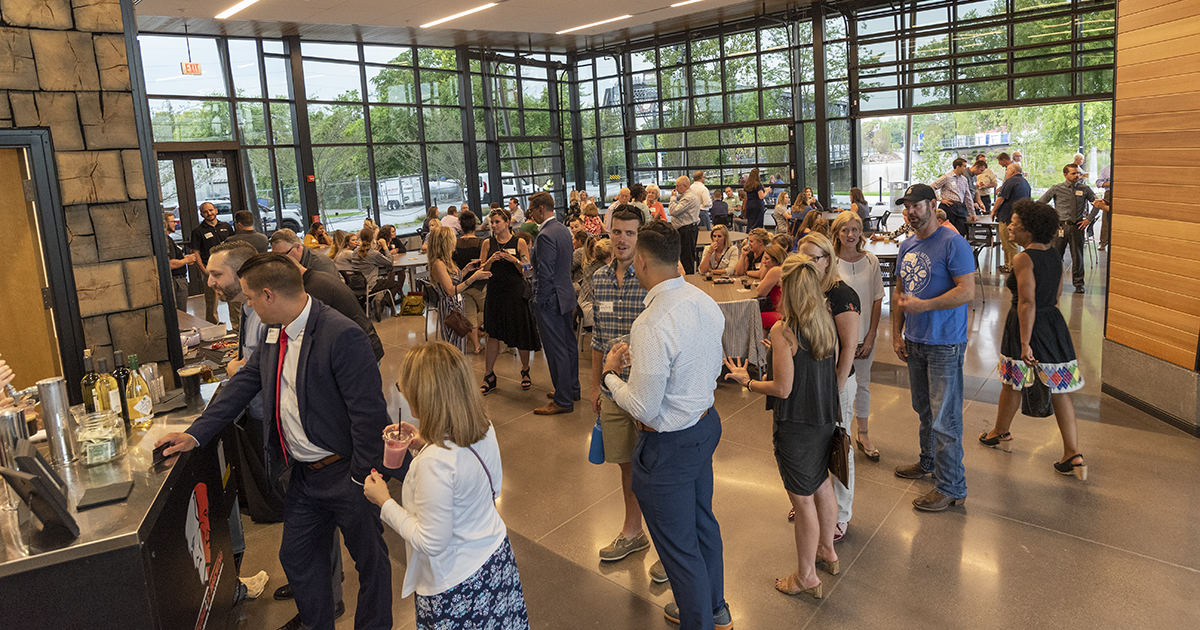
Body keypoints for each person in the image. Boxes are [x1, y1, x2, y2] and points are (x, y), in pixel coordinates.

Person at [155, 252, 395, 630]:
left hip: (346, 473)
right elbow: (245, 383)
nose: (247, 305)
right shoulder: (274, 330)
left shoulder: (341, 335)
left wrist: (361, 478)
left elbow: (370, 417)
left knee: (371, 563)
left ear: (269, 295)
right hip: (302, 476)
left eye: (250, 298)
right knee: (297, 558)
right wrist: (194, 434)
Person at [600, 221, 731, 630]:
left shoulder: (651, 324)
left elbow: (642, 404)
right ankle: (715, 608)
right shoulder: (702, 299)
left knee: (678, 551)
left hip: (667, 446)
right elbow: (695, 363)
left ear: (640, 261)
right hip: (704, 425)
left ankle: (698, 620)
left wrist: (610, 376)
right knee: (702, 523)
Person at [363, 342, 529, 629]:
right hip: (494, 559)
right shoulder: (483, 427)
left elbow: (431, 541)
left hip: (455, 584)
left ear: (424, 397)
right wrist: (424, 441)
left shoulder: (435, 463)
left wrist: (384, 502)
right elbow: (490, 485)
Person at [723, 255, 841, 601]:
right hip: (822, 415)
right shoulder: (824, 320)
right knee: (821, 483)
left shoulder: (784, 328)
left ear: (786, 287)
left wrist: (748, 382)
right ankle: (828, 553)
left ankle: (806, 576)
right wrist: (778, 357)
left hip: (797, 423)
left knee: (802, 499)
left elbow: (783, 389)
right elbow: (809, 368)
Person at [977, 200, 1089, 480]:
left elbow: (1026, 301)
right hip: (1053, 322)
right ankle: (1072, 453)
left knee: (1013, 381)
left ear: (1029, 229)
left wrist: (1025, 342)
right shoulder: (1053, 254)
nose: (1011, 225)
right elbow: (1056, 293)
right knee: (1060, 389)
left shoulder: (1022, 258)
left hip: (1026, 324)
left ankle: (1000, 432)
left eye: (1015, 222)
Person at [891, 183, 976, 511]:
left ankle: (952, 486)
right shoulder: (908, 245)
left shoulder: (954, 243)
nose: (911, 211)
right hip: (915, 341)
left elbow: (966, 291)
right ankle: (928, 462)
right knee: (924, 410)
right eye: (907, 206)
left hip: (944, 344)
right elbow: (900, 293)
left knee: (946, 417)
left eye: (916, 205)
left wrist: (924, 307)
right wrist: (897, 335)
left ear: (932, 204)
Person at [588, 207, 659, 572]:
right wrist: (597, 386)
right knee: (626, 463)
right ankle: (633, 532)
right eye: (617, 232)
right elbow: (597, 338)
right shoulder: (599, 278)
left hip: (647, 383)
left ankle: (668, 545)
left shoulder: (651, 280)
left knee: (658, 466)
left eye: (630, 233)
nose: (622, 240)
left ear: (640, 236)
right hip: (614, 388)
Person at [796, 232, 860, 539]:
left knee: (838, 445)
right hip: (807, 382)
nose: (807, 264)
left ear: (827, 260)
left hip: (836, 383)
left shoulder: (840, 294)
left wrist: (834, 390)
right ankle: (812, 500)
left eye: (813, 258)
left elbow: (848, 348)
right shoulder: (802, 291)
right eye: (802, 257)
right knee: (812, 445)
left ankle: (841, 513)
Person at [831, 211, 885, 463]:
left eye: (854, 230)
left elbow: (877, 299)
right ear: (837, 233)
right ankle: (838, 434)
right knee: (837, 386)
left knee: (862, 384)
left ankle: (863, 433)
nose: (850, 235)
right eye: (845, 230)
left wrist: (872, 334)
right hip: (837, 339)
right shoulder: (830, 261)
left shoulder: (871, 261)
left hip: (864, 336)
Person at [479, 207, 541, 395]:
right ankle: (489, 375)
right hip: (495, 293)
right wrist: (491, 260)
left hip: (516, 293)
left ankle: (525, 370)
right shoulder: (487, 243)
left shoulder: (519, 241)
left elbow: (527, 270)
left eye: (497, 222)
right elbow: (481, 271)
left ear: (507, 222)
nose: (494, 226)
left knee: (521, 333)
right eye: (492, 223)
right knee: (493, 336)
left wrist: (514, 260)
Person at [529, 191, 580, 415]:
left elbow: (545, 272)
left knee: (556, 349)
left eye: (531, 209)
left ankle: (562, 400)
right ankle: (571, 388)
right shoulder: (563, 229)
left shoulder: (545, 235)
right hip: (566, 294)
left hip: (551, 299)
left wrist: (538, 301)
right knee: (568, 344)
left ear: (541, 208)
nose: (530, 214)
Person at [1038, 163, 1107, 293]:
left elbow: (1097, 205)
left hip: (1077, 227)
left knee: (1078, 256)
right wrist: (1051, 220)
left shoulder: (1085, 189)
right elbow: (1041, 203)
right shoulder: (1056, 188)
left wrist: (1089, 219)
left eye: (1077, 173)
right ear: (1065, 175)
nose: (1077, 176)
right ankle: (1052, 283)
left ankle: (1078, 284)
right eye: (1073, 173)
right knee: (1055, 256)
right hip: (1060, 227)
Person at [428, 226, 489, 354]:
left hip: (457, 306)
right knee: (454, 347)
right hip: (450, 309)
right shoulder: (438, 264)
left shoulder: (447, 261)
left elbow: (453, 281)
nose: (455, 241)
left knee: (460, 343)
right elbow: (450, 290)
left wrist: (466, 270)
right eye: (452, 238)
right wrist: (473, 278)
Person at [190, 201, 235, 325]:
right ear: (201, 214)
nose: (209, 213)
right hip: (211, 270)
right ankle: (213, 326)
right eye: (205, 211)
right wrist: (203, 270)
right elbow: (195, 253)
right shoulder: (198, 231)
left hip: (228, 268)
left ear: (216, 210)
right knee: (212, 302)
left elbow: (234, 247)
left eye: (210, 210)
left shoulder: (226, 226)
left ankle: (236, 326)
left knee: (233, 298)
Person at [350, 227, 403, 318]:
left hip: (357, 284)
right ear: (372, 239)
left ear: (360, 239)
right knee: (396, 284)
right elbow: (389, 262)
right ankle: (382, 303)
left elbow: (370, 256)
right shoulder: (373, 254)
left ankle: (366, 304)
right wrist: (385, 247)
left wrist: (377, 248)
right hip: (370, 284)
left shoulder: (355, 252)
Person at [454, 211, 487, 353]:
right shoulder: (481, 243)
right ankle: (480, 332)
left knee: (470, 315)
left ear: (461, 227)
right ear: (475, 226)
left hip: (463, 284)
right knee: (488, 311)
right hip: (480, 284)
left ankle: (476, 346)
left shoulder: (455, 244)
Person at [991, 162, 1031, 273]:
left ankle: (1012, 266)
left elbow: (1001, 198)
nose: (1006, 172)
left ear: (1013, 171)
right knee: (1011, 243)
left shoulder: (1010, 182)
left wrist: (994, 211)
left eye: (1007, 170)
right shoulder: (1025, 182)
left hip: (1007, 217)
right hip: (1019, 216)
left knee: (1008, 243)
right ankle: (1008, 264)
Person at [270, 229, 340, 280]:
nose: (279, 259)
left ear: (298, 247)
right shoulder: (285, 264)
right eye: (276, 255)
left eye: (283, 254)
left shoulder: (322, 265)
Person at [931, 158, 976, 235]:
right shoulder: (946, 177)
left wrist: (972, 213)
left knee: (961, 231)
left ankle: (957, 246)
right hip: (949, 206)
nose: (965, 169)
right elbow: (932, 187)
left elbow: (968, 197)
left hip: (961, 207)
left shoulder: (964, 180)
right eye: (964, 166)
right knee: (947, 231)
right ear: (958, 167)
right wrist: (940, 199)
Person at [669, 176, 702, 275]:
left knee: (687, 258)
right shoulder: (686, 196)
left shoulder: (689, 198)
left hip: (687, 230)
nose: (676, 188)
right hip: (685, 229)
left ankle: (689, 279)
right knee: (684, 257)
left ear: (686, 186)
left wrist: (673, 198)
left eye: (678, 186)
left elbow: (673, 211)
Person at [577, 238, 612, 329]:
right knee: (621, 311)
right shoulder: (603, 270)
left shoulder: (593, 265)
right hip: (589, 311)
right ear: (610, 255)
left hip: (582, 309)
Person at [165, 211, 197, 311]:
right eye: (173, 221)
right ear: (165, 223)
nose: (175, 223)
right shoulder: (167, 242)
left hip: (178, 280)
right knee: (180, 312)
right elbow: (171, 264)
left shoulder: (169, 239)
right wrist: (187, 260)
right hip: (176, 281)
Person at [757, 244, 787, 331]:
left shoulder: (776, 270)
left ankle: (761, 343)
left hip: (782, 315)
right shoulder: (784, 268)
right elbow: (761, 276)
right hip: (786, 314)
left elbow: (760, 292)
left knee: (753, 318)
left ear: (775, 259)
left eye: (767, 259)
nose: (763, 262)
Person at [1096, 164, 1112, 251]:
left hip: (1123, 193)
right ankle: (1103, 243)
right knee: (1106, 218)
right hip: (1109, 193)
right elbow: (1098, 183)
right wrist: (1111, 183)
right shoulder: (1106, 169)